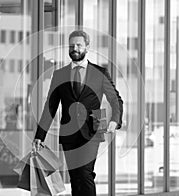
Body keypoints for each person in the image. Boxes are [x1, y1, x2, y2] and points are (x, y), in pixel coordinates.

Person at [32, 30, 123, 196]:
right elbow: (50, 106)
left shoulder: (100, 73)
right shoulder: (59, 75)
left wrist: (115, 121)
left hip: (92, 129)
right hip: (69, 132)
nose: (75, 48)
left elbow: (116, 100)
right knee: (75, 177)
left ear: (87, 47)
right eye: (72, 45)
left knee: (85, 174)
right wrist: (40, 135)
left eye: (79, 45)